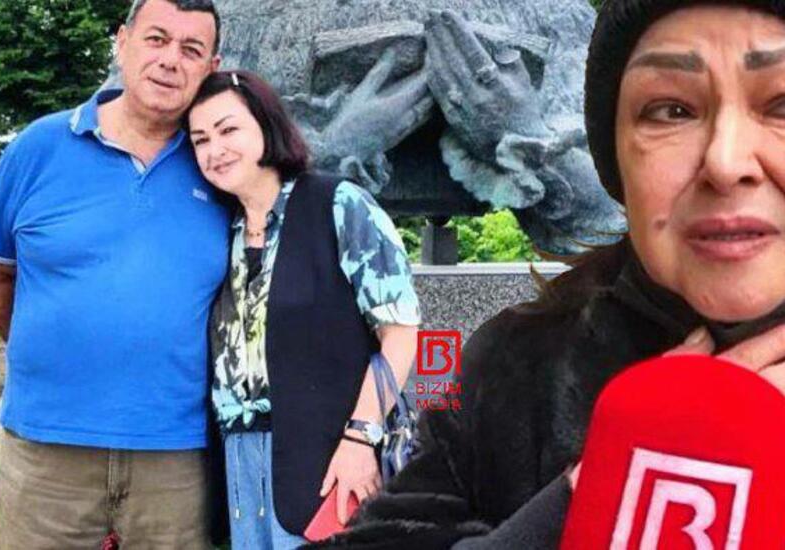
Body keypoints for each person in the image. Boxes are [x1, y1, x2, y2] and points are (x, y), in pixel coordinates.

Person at [310, 0, 785, 547]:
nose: (725, 162)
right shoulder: (515, 366)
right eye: (670, 110)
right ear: (615, 157)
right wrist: (589, 491)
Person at [0, 0, 225, 547]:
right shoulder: (38, 148)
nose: (171, 60)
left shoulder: (219, 162)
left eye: (191, 49)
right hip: (46, 451)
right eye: (156, 39)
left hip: (175, 457)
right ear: (121, 41)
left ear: (211, 68)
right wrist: (53, 351)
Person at [186, 70, 421, 549]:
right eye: (200, 140)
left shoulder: (337, 203)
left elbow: (399, 332)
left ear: (266, 125)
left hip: (330, 452)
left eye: (228, 130)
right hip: (238, 463)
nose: (215, 150)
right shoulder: (218, 230)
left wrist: (361, 437)